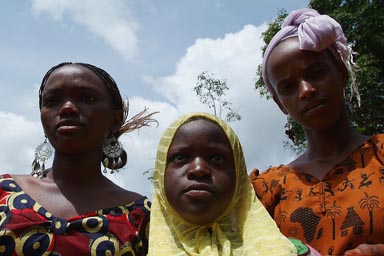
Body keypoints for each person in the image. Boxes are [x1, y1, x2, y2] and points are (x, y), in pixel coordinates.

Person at [249, 8, 384, 256]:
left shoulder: (380, 156)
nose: (306, 90)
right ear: (280, 104)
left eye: (317, 72)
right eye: (288, 87)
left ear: (341, 73)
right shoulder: (267, 191)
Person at [0, 62, 157, 255]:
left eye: (87, 98)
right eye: (52, 100)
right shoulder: (3, 193)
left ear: (115, 120)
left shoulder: (141, 216)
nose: (67, 108)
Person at [148, 112, 302, 256]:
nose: (199, 169)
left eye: (216, 158)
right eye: (180, 158)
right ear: (160, 175)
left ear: (239, 176)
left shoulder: (292, 251)